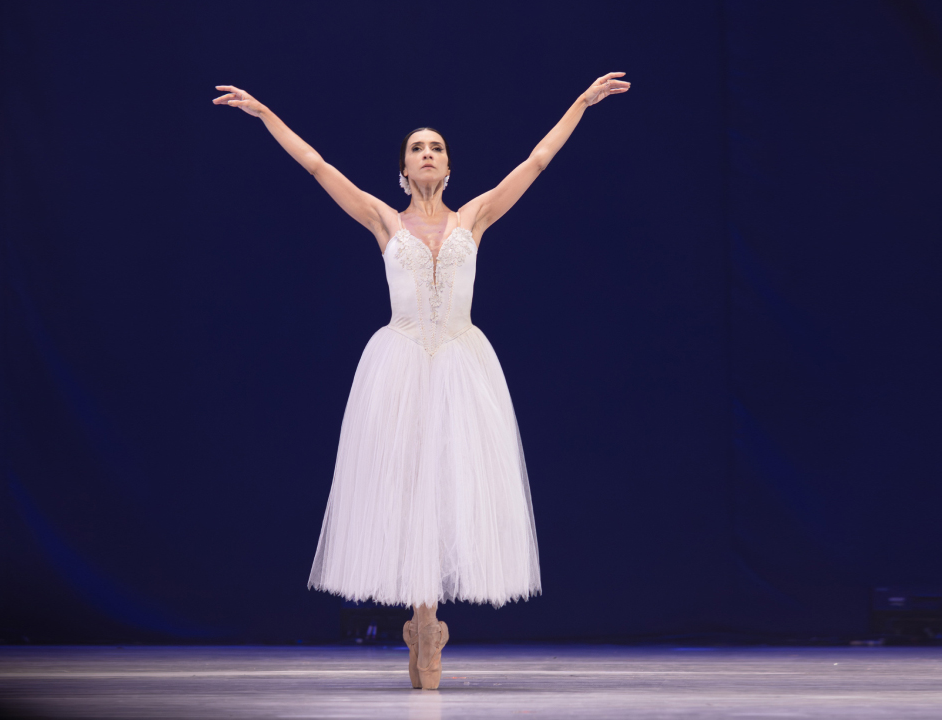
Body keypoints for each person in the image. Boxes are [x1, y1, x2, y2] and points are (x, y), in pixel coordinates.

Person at [212, 73, 631, 689]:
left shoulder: (474, 217)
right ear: (403, 170)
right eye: (417, 148)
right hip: (401, 363)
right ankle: (425, 622)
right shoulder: (385, 221)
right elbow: (317, 165)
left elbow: (537, 161)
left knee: (448, 488)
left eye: (436, 147)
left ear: (449, 168)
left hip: (462, 362)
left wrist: (581, 104)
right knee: (409, 487)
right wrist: (265, 113)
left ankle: (427, 625)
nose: (427, 154)